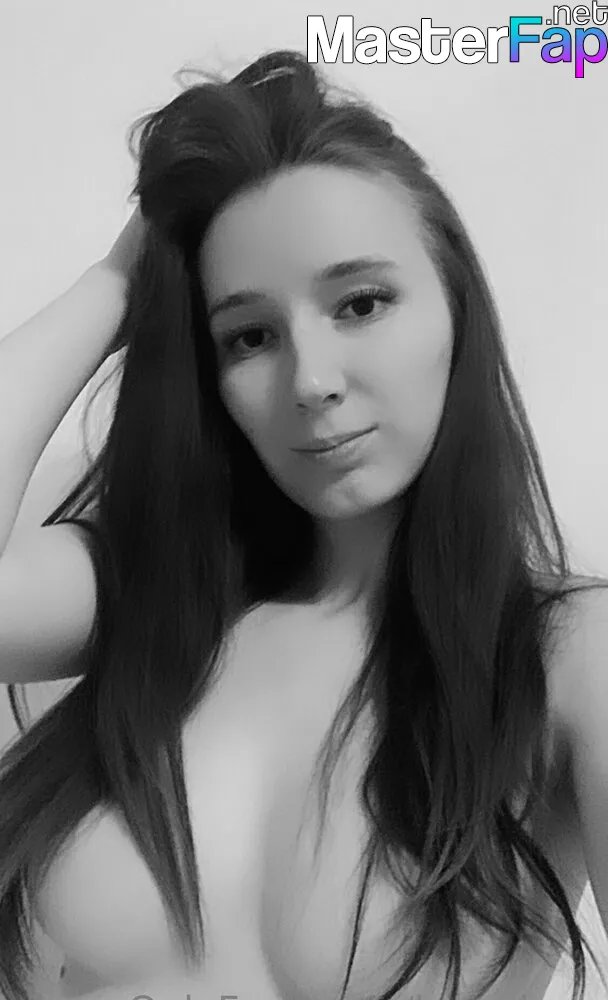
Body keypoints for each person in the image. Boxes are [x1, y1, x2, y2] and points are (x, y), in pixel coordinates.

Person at [0, 47, 606, 1000]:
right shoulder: (154, 599)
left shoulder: (567, 656)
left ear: (458, 309)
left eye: (361, 303)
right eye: (249, 335)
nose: (312, 380)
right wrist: (114, 286)